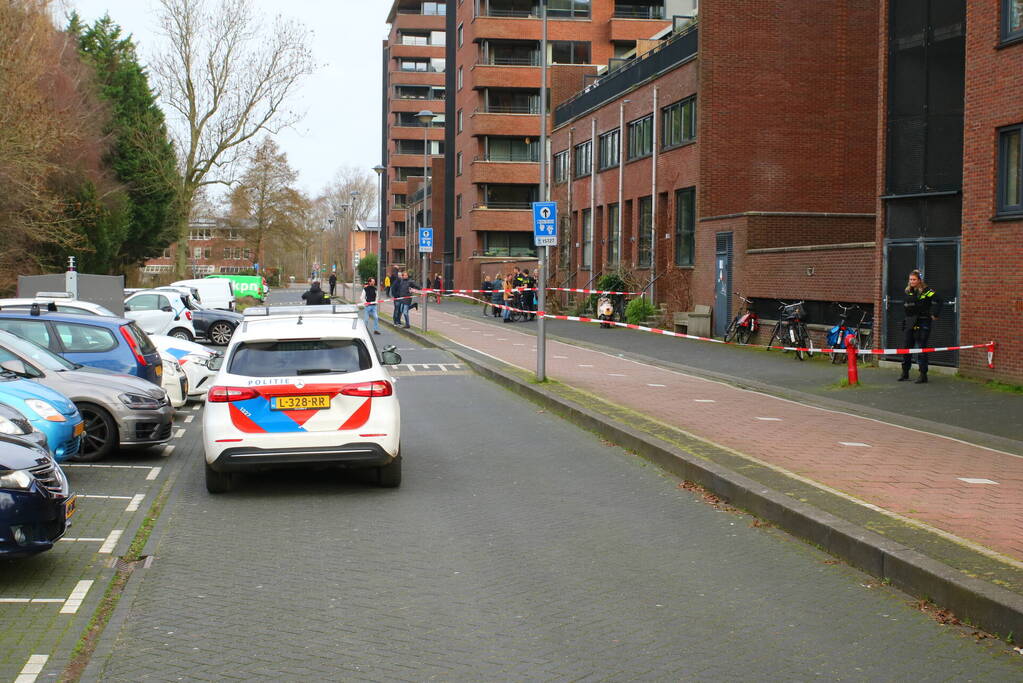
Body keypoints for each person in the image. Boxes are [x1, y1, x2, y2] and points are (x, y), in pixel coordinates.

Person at [899, 269, 942, 384]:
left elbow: (938, 300)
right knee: (906, 348)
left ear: (919, 280)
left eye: (914, 279)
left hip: (923, 322)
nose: (911, 281)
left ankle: (923, 375)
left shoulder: (926, 291)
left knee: (922, 348)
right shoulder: (909, 291)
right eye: (910, 279)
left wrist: (935, 314)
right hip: (909, 322)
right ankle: (905, 372)